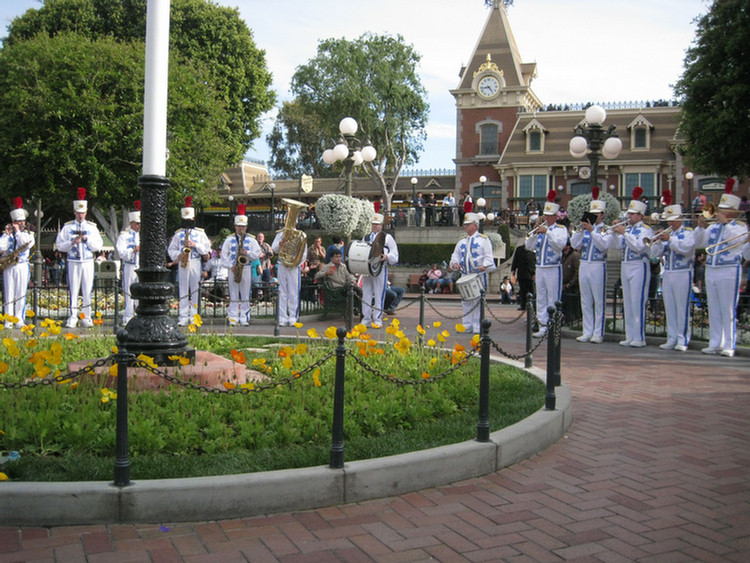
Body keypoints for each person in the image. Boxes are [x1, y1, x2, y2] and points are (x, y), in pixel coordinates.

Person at [693, 179, 748, 357]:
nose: (719, 213)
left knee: (728, 308)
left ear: (732, 212)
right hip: (712, 269)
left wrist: (726, 224)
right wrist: (700, 228)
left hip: (729, 269)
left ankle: (728, 344)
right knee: (714, 307)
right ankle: (714, 342)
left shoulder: (739, 227)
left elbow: (736, 241)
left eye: (723, 210)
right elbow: (698, 243)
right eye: (719, 209)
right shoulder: (713, 227)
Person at [649, 191, 696, 352]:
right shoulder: (668, 234)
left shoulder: (688, 232)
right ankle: (671, 337)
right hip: (668, 272)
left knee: (682, 307)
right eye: (668, 220)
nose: (670, 223)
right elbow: (655, 254)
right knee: (669, 306)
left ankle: (682, 339)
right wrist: (656, 242)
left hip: (683, 272)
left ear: (680, 218)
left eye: (673, 220)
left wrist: (670, 240)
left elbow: (687, 249)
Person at [611, 186, 654, 347]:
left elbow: (638, 247)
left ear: (640, 215)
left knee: (638, 301)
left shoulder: (646, 230)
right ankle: (629, 335)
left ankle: (639, 337)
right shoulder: (627, 230)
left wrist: (623, 233)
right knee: (628, 302)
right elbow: (616, 246)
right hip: (626, 265)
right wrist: (615, 233)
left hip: (639, 266)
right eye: (628, 213)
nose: (629, 216)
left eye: (632, 214)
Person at [55, 188, 103, 328]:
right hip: (73, 261)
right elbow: (59, 245)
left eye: (83, 213)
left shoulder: (92, 228)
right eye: (78, 213)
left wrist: (87, 239)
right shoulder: (67, 228)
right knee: (74, 289)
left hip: (87, 261)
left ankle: (87, 317)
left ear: (86, 212)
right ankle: (73, 316)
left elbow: (98, 246)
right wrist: (71, 242)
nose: (80, 215)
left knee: (87, 289)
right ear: (74, 212)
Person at [524, 191, 567, 338]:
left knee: (553, 298)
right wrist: (534, 233)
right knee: (541, 298)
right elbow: (528, 246)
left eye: (549, 216)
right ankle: (542, 326)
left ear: (555, 217)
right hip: (540, 267)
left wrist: (547, 232)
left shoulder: (561, 230)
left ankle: (553, 326)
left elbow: (559, 245)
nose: (546, 218)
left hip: (553, 268)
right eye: (545, 216)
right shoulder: (540, 230)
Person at [570, 188, 611, 343]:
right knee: (585, 299)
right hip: (584, 264)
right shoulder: (586, 230)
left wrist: (592, 231)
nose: (593, 216)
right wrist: (581, 230)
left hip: (598, 265)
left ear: (602, 215)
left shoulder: (605, 229)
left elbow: (604, 246)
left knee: (598, 300)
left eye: (596, 214)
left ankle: (598, 332)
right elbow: (575, 244)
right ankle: (587, 331)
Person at [168, 196, 211, 326]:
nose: (187, 221)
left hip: (196, 262)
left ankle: (194, 316)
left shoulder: (200, 233)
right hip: (183, 263)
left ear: (193, 219)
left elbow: (206, 250)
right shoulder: (178, 234)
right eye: (185, 220)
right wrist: (178, 255)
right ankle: (183, 316)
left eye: (189, 219)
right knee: (183, 289)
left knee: (195, 290)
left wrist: (195, 244)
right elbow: (171, 250)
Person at [450, 212, 495, 334]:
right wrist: (454, 263)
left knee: (477, 300)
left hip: (478, 275)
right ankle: (467, 324)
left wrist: (484, 266)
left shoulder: (484, 240)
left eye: (468, 224)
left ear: (475, 225)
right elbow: (455, 255)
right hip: (465, 274)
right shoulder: (462, 241)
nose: (465, 227)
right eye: (465, 225)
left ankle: (477, 325)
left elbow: (489, 257)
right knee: (466, 301)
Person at [221, 204, 261, 326]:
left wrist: (246, 253)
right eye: (239, 226)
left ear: (246, 227)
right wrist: (230, 266)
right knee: (233, 293)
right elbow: (223, 256)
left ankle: (244, 317)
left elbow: (257, 254)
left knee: (245, 294)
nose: (241, 229)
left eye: (243, 226)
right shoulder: (228, 240)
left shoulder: (252, 240)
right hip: (233, 269)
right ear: (235, 226)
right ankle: (232, 317)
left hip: (247, 268)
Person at [0, 197, 35, 328]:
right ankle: (8, 320)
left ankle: (19, 318)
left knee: (21, 292)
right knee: (9, 293)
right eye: (17, 222)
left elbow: (26, 244)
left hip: (22, 265)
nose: (20, 223)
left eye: (22, 221)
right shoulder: (8, 235)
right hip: (9, 266)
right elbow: (1, 247)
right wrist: (7, 235)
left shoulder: (28, 234)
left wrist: (18, 232)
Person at [360, 213, 399, 327]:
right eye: (373, 224)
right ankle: (366, 318)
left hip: (380, 268)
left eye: (377, 225)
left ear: (381, 226)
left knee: (379, 294)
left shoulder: (387, 238)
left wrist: (387, 257)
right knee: (366, 294)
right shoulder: (366, 237)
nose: (375, 226)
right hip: (367, 269)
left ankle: (377, 319)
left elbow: (395, 254)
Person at [272, 209, 309, 327]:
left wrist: (294, 263)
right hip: (282, 265)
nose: (290, 224)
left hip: (293, 267)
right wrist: (280, 245)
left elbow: (303, 253)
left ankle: (293, 317)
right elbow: (274, 249)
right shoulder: (280, 234)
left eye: (292, 222)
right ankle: (282, 317)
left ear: (296, 223)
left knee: (293, 292)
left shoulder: (300, 235)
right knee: (282, 292)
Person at [115, 201, 141, 325]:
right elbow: (121, 252)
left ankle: (140, 314)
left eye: (140, 224)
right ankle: (128, 316)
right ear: (131, 223)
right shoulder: (124, 236)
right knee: (129, 291)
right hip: (130, 265)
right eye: (136, 224)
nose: (138, 226)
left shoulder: (143, 235)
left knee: (141, 291)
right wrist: (133, 250)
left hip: (140, 265)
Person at [511, 245, 535, 311]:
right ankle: (523, 305)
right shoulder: (519, 249)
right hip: (522, 273)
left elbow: (535, 261)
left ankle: (531, 305)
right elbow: (515, 259)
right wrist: (513, 269)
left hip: (531, 274)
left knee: (531, 291)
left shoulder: (533, 248)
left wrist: (535, 273)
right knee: (522, 291)